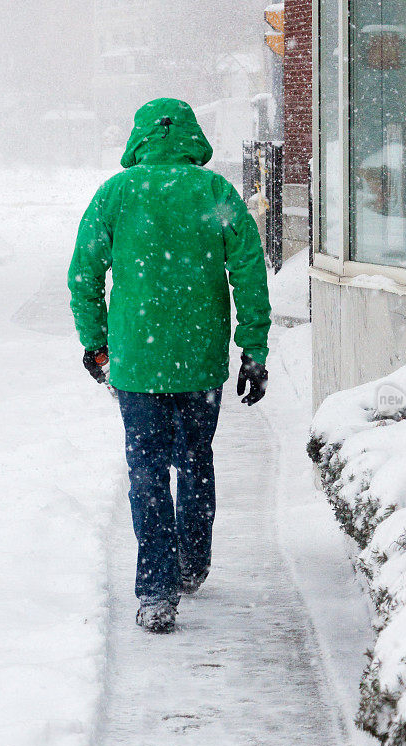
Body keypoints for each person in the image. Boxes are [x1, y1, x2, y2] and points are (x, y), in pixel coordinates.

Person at [68, 98, 271, 634]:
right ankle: (191, 561)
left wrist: (96, 344)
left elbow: (83, 273)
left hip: (137, 363)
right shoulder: (215, 193)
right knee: (195, 461)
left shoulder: (116, 195)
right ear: (191, 136)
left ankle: (157, 589)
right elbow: (249, 269)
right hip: (201, 363)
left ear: (139, 138)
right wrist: (253, 348)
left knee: (148, 471)